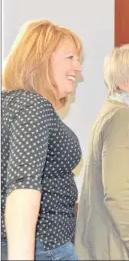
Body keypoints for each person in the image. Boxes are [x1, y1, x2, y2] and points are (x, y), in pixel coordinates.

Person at [1, 20, 83, 260]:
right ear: (41, 59)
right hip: (43, 248)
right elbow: (22, 188)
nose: (78, 67)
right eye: (70, 57)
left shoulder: (10, 104)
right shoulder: (35, 106)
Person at [75, 44, 129, 260]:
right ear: (122, 81)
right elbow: (117, 192)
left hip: (111, 245)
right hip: (121, 250)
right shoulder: (124, 119)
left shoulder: (112, 112)